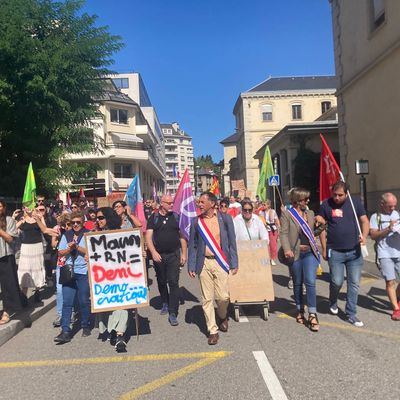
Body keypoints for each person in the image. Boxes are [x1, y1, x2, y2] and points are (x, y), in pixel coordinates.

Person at [188, 191, 238, 345]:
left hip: (221, 261)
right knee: (207, 298)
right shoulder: (196, 222)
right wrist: (191, 264)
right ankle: (213, 330)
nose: (199, 204)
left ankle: (222, 315)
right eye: (199, 202)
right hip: (204, 263)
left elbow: (231, 242)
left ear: (212, 203)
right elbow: (193, 245)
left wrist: (235, 262)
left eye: (202, 202)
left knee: (223, 297)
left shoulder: (225, 219)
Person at [318, 181, 369, 327]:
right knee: (337, 281)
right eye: (334, 194)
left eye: (340, 195)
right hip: (335, 252)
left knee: (353, 284)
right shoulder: (326, 205)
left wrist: (364, 236)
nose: (337, 198)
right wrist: (323, 247)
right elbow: (321, 227)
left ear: (346, 193)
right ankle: (332, 300)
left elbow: (364, 221)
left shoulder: (355, 203)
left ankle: (351, 313)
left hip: (354, 252)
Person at [280, 188, 321, 332]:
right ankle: (299, 310)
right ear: (297, 201)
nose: (308, 201)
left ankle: (312, 314)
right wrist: (286, 249)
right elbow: (283, 234)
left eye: (308, 199)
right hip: (295, 253)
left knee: (310, 281)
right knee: (297, 283)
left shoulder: (310, 213)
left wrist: (321, 223)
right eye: (305, 199)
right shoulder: (287, 214)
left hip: (309, 252)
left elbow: (314, 232)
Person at [145, 194, 187, 326]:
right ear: (161, 203)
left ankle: (173, 312)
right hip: (159, 255)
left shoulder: (176, 217)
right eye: (168, 203)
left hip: (173, 254)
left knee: (173, 282)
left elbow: (182, 237)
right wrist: (153, 252)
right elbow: (148, 237)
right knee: (161, 280)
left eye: (172, 202)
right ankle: (164, 301)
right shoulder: (154, 217)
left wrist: (184, 253)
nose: (171, 205)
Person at [95, 207, 132, 351]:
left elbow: (130, 252)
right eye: (97, 218)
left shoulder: (122, 234)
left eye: (101, 218)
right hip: (105, 278)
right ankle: (113, 330)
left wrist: (139, 254)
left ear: (109, 218)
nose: (98, 221)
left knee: (121, 305)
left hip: (121, 277)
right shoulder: (95, 237)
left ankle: (120, 336)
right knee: (109, 306)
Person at [54, 211, 91, 343]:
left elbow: (92, 251)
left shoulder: (88, 234)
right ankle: (65, 330)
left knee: (83, 300)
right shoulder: (66, 235)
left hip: (83, 271)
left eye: (78, 222)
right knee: (67, 302)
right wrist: (70, 249)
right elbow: (60, 252)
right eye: (73, 222)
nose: (75, 225)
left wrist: (77, 247)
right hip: (69, 271)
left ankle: (85, 324)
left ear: (82, 222)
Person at [370, 193, 400, 321]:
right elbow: (373, 235)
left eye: (394, 206)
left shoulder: (397, 214)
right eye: (390, 206)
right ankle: (396, 309)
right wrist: (388, 228)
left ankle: (396, 299)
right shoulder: (375, 217)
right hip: (384, 253)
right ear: (382, 204)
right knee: (390, 281)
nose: (392, 209)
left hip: (398, 251)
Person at [0, 201, 24, 325]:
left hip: (5, 256)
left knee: (7, 286)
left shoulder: (9, 220)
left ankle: (7, 311)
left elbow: (10, 238)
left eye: (0, 206)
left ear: (4, 208)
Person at [259, 200, 280, 265]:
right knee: (265, 245)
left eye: (264, 205)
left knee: (273, 245)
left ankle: (272, 259)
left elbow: (277, 221)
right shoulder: (261, 212)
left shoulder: (273, 211)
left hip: (272, 230)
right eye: (262, 204)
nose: (263, 206)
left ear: (268, 205)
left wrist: (278, 231)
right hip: (264, 230)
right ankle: (267, 258)